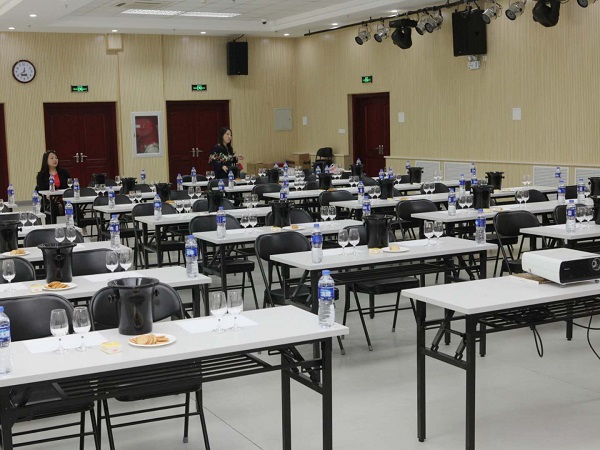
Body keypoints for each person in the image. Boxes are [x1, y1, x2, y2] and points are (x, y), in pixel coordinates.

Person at [35, 150, 71, 222]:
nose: (55, 160)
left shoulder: (64, 173)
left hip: (63, 199)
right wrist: (46, 195)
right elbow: (40, 189)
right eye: (51, 158)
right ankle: (52, 227)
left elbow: (69, 186)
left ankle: (79, 226)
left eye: (56, 158)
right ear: (46, 161)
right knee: (52, 208)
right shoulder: (41, 175)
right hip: (49, 200)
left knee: (75, 206)